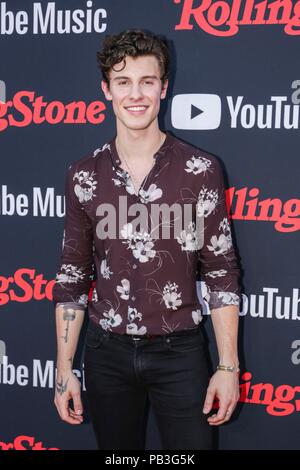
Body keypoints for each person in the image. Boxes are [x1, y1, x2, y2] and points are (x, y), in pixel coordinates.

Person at [52, 28, 242, 450]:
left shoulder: (200, 169)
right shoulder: (83, 175)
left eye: (146, 81)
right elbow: (71, 276)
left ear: (164, 87)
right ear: (106, 89)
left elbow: (221, 272)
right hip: (106, 354)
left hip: (181, 353)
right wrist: (65, 368)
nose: (135, 94)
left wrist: (228, 366)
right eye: (123, 82)